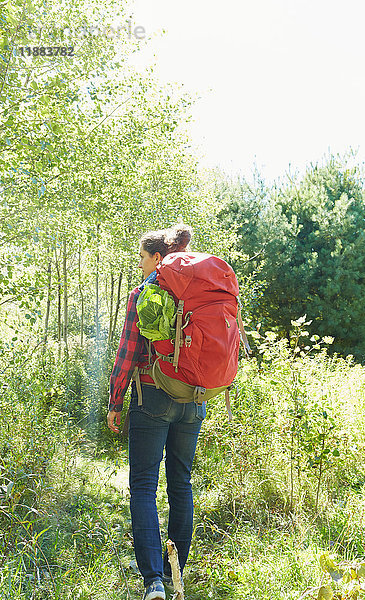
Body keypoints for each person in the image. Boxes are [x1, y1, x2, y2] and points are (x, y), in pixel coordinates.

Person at [107, 224, 205, 600]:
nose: (140, 265)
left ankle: (155, 583)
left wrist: (116, 401)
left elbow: (128, 352)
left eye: (142, 258)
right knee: (181, 483)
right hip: (195, 400)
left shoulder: (145, 293)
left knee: (144, 487)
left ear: (158, 258)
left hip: (153, 396)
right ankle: (174, 570)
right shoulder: (199, 292)